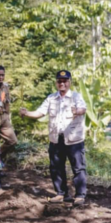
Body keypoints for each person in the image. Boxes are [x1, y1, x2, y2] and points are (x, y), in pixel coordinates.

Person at [20, 70, 88, 206]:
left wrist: (77, 111)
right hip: (56, 139)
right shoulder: (51, 98)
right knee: (56, 167)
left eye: (65, 81)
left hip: (74, 140)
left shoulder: (76, 96)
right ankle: (61, 193)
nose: (62, 83)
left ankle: (80, 195)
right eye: (59, 81)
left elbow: (83, 109)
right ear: (56, 83)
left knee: (78, 168)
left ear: (69, 82)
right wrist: (27, 113)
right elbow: (40, 112)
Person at [0, 65, 18, 162]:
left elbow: (7, 102)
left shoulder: (5, 86)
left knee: (13, 141)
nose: (1, 77)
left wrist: (7, 115)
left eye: (2, 75)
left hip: (4, 116)